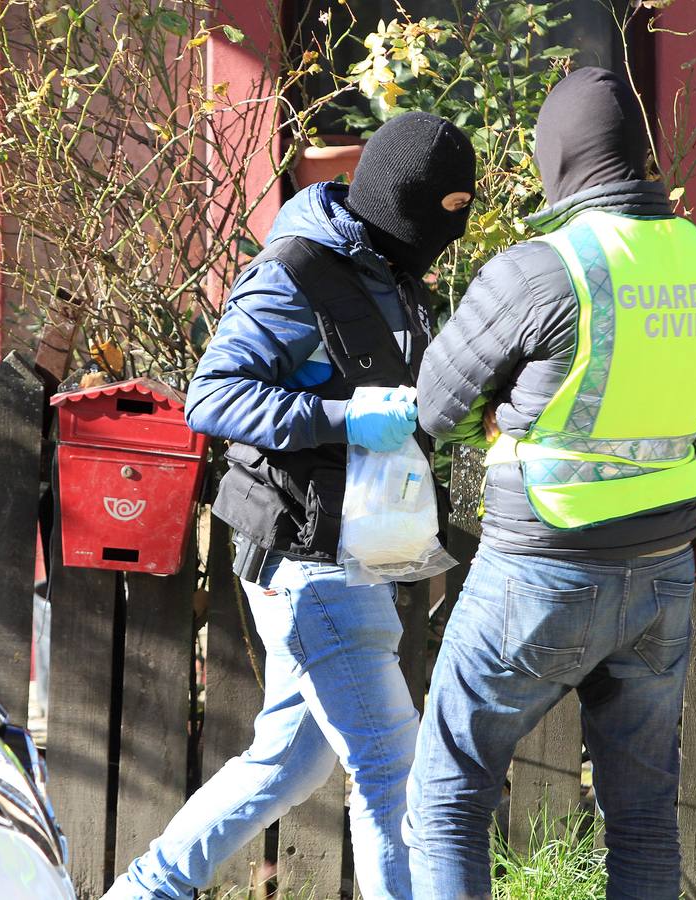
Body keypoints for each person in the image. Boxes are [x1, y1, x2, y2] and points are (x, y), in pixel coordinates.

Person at [103, 112, 476, 900]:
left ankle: (143, 892)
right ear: (392, 206)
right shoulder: (299, 270)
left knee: (284, 764)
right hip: (307, 562)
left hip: (354, 553)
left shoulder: (387, 264)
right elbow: (213, 396)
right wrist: (346, 418)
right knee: (390, 771)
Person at [407, 67, 696, 899]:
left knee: (448, 795)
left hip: (539, 565)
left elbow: (434, 406)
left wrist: (494, 419)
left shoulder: (542, 269)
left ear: (555, 158)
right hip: (663, 568)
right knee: (640, 814)